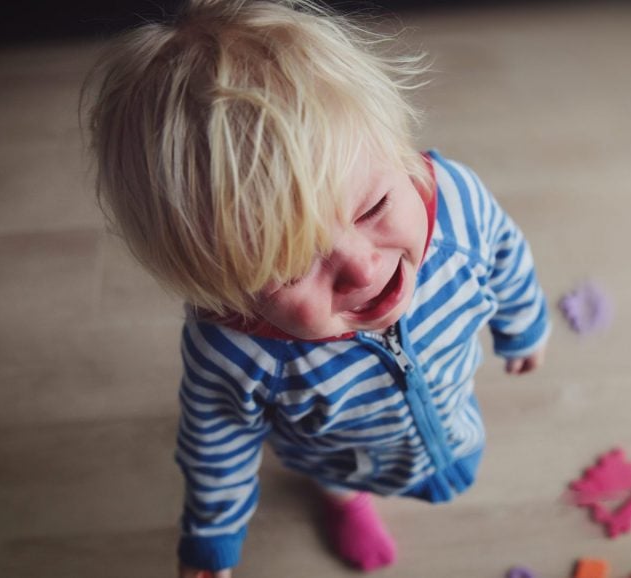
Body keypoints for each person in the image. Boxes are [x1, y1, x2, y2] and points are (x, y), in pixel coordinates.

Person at [83, 1, 550, 575]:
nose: (361, 268)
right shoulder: (233, 352)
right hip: (337, 455)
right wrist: (212, 537)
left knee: (447, 419)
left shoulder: (453, 202)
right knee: (335, 475)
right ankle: (345, 499)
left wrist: (522, 323)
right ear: (224, 291)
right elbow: (216, 442)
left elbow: (506, 250)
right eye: (292, 267)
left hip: (450, 396)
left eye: (375, 205)